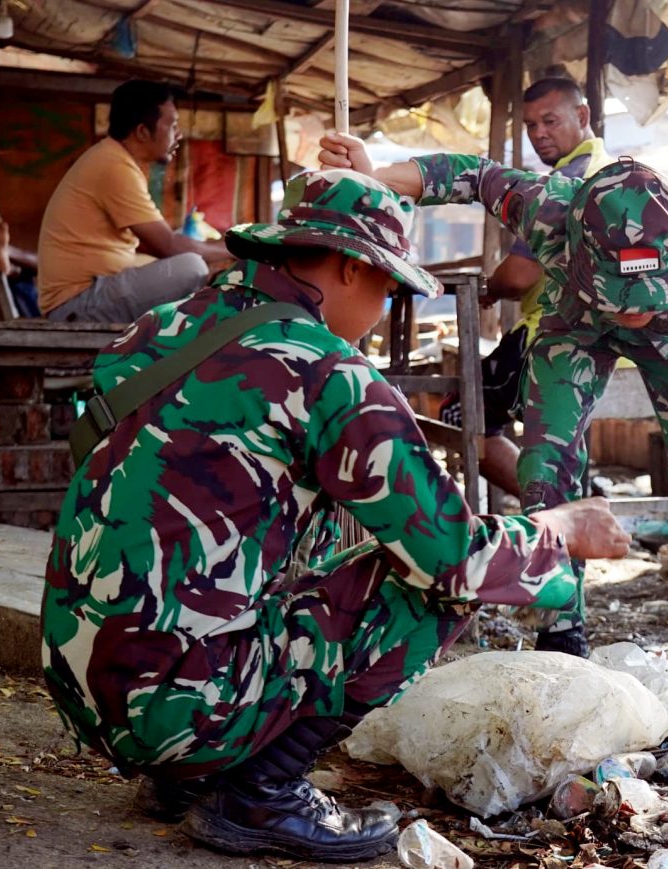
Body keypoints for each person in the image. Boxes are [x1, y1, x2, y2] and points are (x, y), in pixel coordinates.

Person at [41, 169, 631, 861]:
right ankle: (259, 791)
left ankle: (181, 777)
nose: (384, 310)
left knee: (310, 553)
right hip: (176, 705)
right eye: (387, 288)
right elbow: (456, 554)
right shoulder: (331, 376)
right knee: (435, 589)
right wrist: (560, 533)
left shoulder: (166, 325)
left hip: (80, 680)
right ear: (352, 267)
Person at [318, 133, 668, 689]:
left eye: (644, 301)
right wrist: (375, 175)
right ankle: (561, 637)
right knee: (544, 469)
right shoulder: (551, 208)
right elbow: (470, 174)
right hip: (574, 327)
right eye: (620, 302)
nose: (631, 314)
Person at [442, 77, 614, 496]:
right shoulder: (610, 172)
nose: (539, 134)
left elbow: (519, 275)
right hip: (619, 341)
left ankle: (559, 507)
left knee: (460, 415)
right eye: (531, 125)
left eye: (550, 121)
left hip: (554, 336)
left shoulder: (565, 183)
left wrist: (491, 289)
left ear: (583, 116)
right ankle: (568, 502)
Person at [37, 80, 229, 323]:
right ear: (142, 131)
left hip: (86, 297)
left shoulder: (113, 159)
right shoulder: (114, 166)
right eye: (172, 125)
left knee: (191, 265)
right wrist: (237, 249)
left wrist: (214, 251)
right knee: (192, 268)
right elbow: (167, 246)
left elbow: (152, 244)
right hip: (78, 304)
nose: (178, 135)